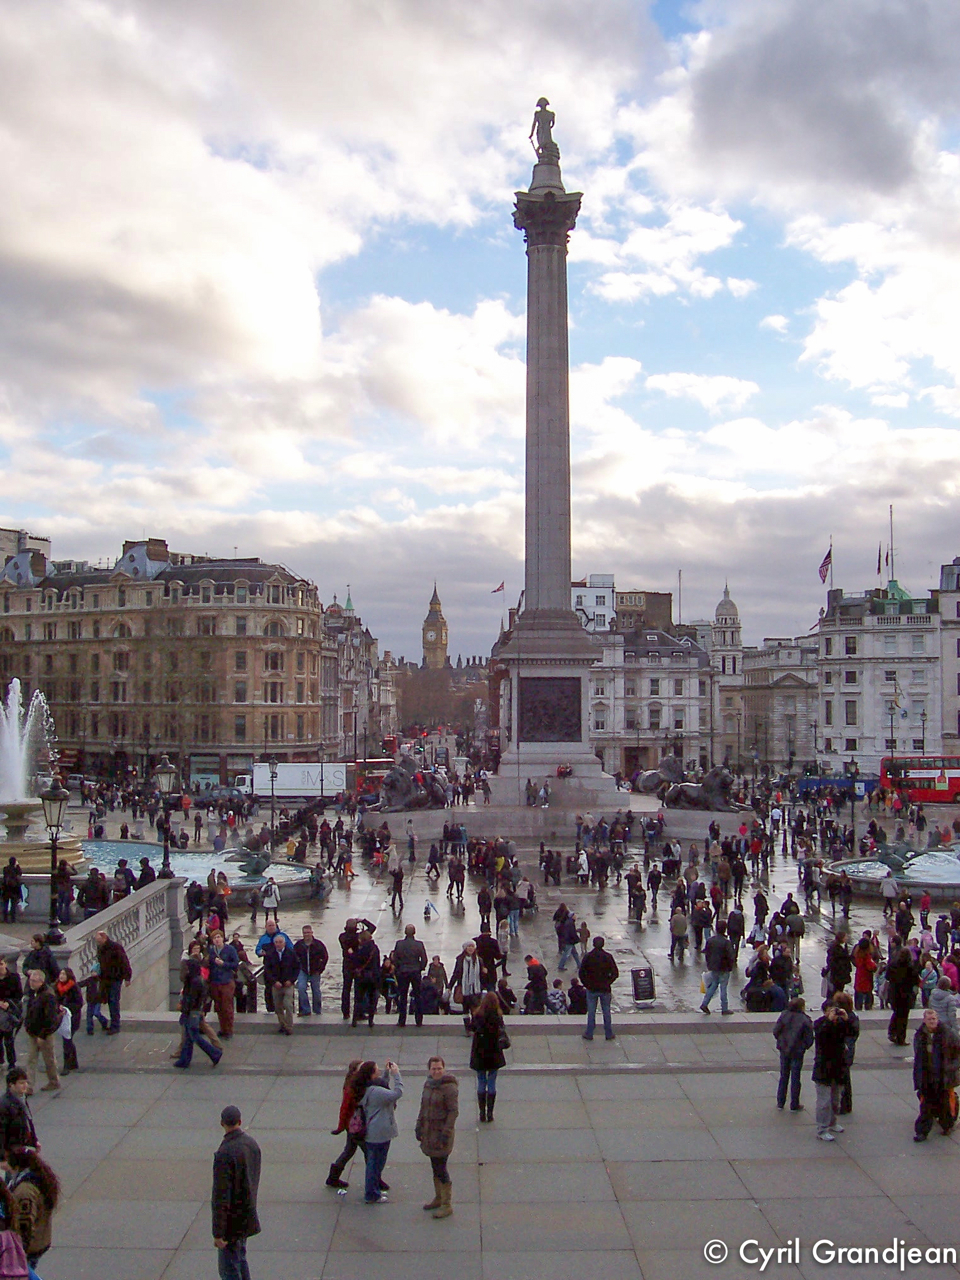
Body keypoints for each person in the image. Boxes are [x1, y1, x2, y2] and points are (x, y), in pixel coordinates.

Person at [212, 1105, 261, 1280]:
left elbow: (220, 1197)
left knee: (229, 1269)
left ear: (221, 1123)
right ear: (240, 1121)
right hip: (245, 1216)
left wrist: (218, 1233)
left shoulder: (224, 1154)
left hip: (230, 1224)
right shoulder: (251, 1144)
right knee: (240, 1260)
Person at [415, 1056, 458, 1219]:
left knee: (441, 1168)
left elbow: (453, 1112)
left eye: (439, 1068)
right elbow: (423, 1106)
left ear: (444, 1069)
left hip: (441, 1134)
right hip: (429, 1132)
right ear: (429, 1070)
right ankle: (439, 1198)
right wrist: (419, 1125)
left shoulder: (449, 1088)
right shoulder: (428, 1085)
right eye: (434, 1069)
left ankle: (446, 1204)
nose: (437, 1071)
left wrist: (446, 1133)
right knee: (435, 1165)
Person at [4, 1145, 59, 1269]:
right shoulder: (38, 1177)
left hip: (30, 1248)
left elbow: (25, 1223)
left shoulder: (24, 1191)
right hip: (39, 1242)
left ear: (16, 1166)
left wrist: (19, 1251)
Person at [357, 1059, 402, 1204]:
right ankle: (371, 1193)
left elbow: (382, 1084)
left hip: (372, 1131)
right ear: (371, 1074)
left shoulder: (367, 1088)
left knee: (373, 1162)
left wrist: (387, 1073)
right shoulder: (376, 1092)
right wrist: (397, 1075)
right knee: (376, 1164)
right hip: (379, 1132)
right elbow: (397, 1093)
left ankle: (373, 1190)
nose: (378, 1071)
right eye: (376, 1070)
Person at [912, 1008, 960, 1142]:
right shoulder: (921, 1035)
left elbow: (957, 1052)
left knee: (944, 1103)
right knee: (926, 1105)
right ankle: (922, 1131)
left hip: (943, 1075)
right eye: (929, 1019)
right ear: (924, 1020)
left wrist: (952, 1067)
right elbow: (918, 1057)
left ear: (937, 1019)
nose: (932, 1022)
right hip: (927, 1076)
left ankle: (947, 1125)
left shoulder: (948, 1034)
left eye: (934, 1019)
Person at [812, 1001, 854, 1141]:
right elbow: (821, 1037)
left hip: (838, 1067)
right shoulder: (820, 1024)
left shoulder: (841, 1024)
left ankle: (832, 1122)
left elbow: (852, 1033)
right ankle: (822, 1129)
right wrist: (829, 1021)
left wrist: (847, 1019)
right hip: (824, 1068)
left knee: (836, 1099)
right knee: (824, 1101)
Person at [173, 955, 222, 1070]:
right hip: (193, 1011)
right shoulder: (196, 980)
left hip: (191, 1012)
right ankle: (184, 1059)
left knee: (194, 1036)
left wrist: (184, 1008)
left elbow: (191, 999)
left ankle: (214, 1053)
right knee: (189, 1038)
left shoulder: (194, 982)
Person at [470, 990, 506, 1122]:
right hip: (494, 1053)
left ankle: (481, 1113)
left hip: (480, 1053)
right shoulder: (497, 1016)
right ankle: (490, 1113)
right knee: (492, 1082)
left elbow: (472, 1028)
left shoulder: (478, 1015)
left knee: (481, 1081)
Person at [773, 996, 814, 1112]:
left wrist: (781, 1042)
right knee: (796, 1077)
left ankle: (780, 1102)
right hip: (797, 1051)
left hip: (784, 1049)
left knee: (783, 1076)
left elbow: (776, 1031)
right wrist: (804, 1046)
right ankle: (794, 1103)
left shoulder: (784, 1015)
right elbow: (809, 1038)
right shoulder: (805, 1020)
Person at [23, 971, 59, 1093]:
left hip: (44, 1034)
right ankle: (29, 1085)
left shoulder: (48, 996)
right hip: (33, 1032)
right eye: (30, 980)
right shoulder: (34, 993)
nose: (30, 983)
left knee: (48, 1059)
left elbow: (50, 1018)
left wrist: (43, 1035)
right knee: (31, 1059)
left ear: (41, 982)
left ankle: (54, 1081)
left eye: (34, 981)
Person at [580, 936, 619, 1042]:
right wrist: (608, 982)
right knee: (606, 1010)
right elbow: (615, 973)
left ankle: (589, 1032)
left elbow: (581, 973)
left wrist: (587, 984)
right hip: (605, 989)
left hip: (592, 988)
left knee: (591, 1011)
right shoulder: (608, 957)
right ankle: (608, 1033)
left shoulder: (588, 957)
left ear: (593, 944)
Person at [94, 930, 132, 1034]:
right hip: (105, 979)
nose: (97, 942)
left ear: (104, 937)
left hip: (115, 978)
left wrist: (127, 977)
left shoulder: (115, 947)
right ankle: (109, 1023)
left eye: (98, 940)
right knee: (108, 1001)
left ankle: (115, 1025)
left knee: (113, 1001)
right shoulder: (100, 948)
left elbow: (124, 962)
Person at [887, 936, 921, 1046]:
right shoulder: (910, 968)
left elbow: (887, 976)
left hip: (894, 992)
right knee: (903, 1017)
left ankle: (892, 1032)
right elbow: (915, 981)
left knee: (896, 1013)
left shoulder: (893, 965)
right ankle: (900, 1037)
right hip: (905, 994)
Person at [392, 924, 428, 1028]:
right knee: (418, 996)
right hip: (415, 971)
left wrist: (399, 968)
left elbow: (395, 958)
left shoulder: (399, 944)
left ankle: (402, 1021)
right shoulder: (419, 944)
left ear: (405, 932)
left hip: (403, 972)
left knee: (403, 996)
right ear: (414, 932)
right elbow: (424, 959)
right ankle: (419, 1020)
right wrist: (420, 967)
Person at [262, 934, 298, 1035]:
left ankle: (289, 1026)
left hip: (288, 984)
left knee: (288, 1004)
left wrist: (291, 980)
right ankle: (282, 1025)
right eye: (276, 942)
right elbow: (267, 970)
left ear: (284, 943)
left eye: (280, 942)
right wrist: (274, 982)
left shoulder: (291, 953)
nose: (278, 944)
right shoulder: (270, 954)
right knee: (278, 1007)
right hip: (276, 984)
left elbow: (296, 968)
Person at [207, 930, 239, 1040]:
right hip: (215, 981)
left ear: (222, 938)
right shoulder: (211, 951)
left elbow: (235, 964)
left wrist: (224, 964)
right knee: (218, 1006)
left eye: (218, 937)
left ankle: (229, 1030)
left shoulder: (230, 949)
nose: (217, 940)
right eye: (214, 938)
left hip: (227, 981)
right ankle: (222, 1028)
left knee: (227, 1007)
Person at [701, 921, 735, 1016]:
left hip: (714, 967)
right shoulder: (726, 942)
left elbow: (707, 953)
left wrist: (709, 964)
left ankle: (705, 1003)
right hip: (724, 968)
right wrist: (730, 966)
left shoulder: (710, 940)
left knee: (713, 985)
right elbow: (730, 956)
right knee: (723, 988)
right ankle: (724, 1008)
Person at [293, 925, 327, 1018]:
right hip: (302, 970)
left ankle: (317, 1010)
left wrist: (320, 969)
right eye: (305, 933)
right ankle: (305, 1009)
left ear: (312, 933)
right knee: (301, 988)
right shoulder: (298, 945)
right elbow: (293, 957)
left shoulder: (318, 944)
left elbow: (325, 957)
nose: (306, 934)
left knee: (316, 990)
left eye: (308, 932)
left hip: (315, 971)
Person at [0, 1068, 37, 1154]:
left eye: (26, 1082)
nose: (25, 1085)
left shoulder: (22, 1099)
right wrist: (2, 1159)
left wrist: (34, 1141)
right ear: (11, 1085)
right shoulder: (4, 1105)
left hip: (22, 1147)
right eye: (21, 1083)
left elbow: (28, 1122)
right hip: (12, 1151)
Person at [54, 968, 82, 1075]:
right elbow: (54, 1000)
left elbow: (79, 1003)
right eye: (60, 973)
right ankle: (74, 1062)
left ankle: (67, 1065)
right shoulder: (56, 987)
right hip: (62, 1017)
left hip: (73, 1017)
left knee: (67, 1039)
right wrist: (58, 1007)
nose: (61, 976)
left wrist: (66, 1008)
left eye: (64, 974)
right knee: (68, 1038)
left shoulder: (74, 987)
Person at [0, 958, 22, 1069]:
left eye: (1, 964)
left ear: (6, 964)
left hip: (9, 1012)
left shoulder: (14, 977)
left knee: (8, 1039)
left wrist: (8, 1003)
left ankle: (11, 1062)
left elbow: (19, 995)